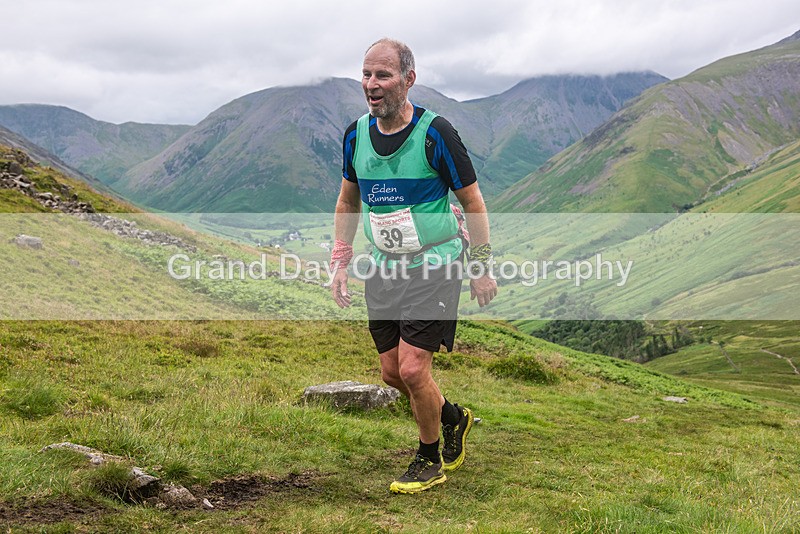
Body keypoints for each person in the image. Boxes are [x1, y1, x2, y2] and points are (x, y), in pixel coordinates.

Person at [330, 37, 497, 494]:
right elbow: (348, 200)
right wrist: (341, 260)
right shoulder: (355, 135)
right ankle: (452, 417)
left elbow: (473, 202)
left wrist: (481, 266)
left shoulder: (436, 133)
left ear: (408, 79)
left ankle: (428, 459)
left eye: (383, 75)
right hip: (384, 267)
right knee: (390, 372)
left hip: (435, 265)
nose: (371, 84)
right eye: (366, 74)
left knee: (411, 370)